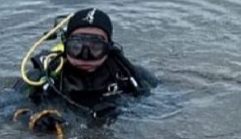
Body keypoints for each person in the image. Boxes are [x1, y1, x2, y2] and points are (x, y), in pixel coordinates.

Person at [14, 7, 157, 127]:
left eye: (96, 47)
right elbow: (2, 107)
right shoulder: (42, 76)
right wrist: (32, 119)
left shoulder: (128, 74)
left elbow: (166, 103)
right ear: (65, 45)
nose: (85, 55)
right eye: (76, 46)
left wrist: (123, 111)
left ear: (108, 47)